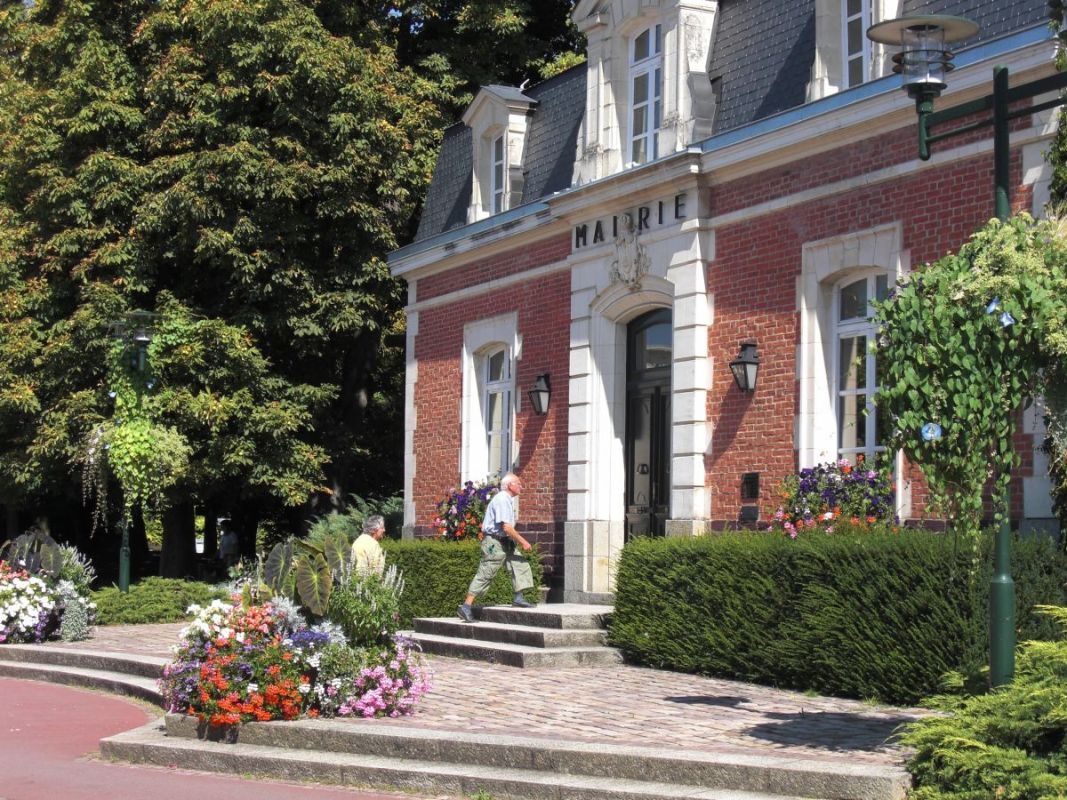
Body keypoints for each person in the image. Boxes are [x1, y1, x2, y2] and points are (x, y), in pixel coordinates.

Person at [458, 473, 534, 623]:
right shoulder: (502, 499)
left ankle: (518, 597)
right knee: (486, 572)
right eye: (518, 484)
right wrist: (523, 542)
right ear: (510, 485)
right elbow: (506, 527)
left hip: (504, 541)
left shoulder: (507, 499)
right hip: (494, 542)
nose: (521, 487)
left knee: (519, 563)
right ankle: (466, 607)